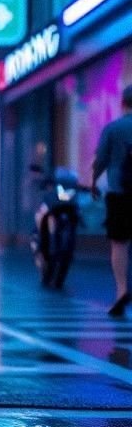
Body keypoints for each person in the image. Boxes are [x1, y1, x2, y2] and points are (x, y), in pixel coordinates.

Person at [92, 84, 132, 316]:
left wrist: (94, 182)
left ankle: (121, 290)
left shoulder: (113, 128)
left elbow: (100, 160)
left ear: (122, 103)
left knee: (119, 243)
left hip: (119, 193)